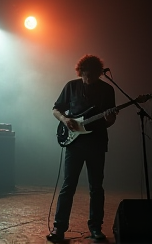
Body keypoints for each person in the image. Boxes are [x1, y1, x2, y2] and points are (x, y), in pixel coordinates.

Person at [47, 55, 117, 242]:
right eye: (86, 75)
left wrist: (110, 117)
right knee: (68, 186)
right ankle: (59, 228)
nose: (89, 79)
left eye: (93, 75)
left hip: (97, 143)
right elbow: (55, 109)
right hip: (75, 144)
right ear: (81, 71)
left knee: (96, 187)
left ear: (99, 73)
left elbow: (110, 121)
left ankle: (95, 228)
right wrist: (65, 119)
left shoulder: (107, 89)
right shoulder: (71, 86)